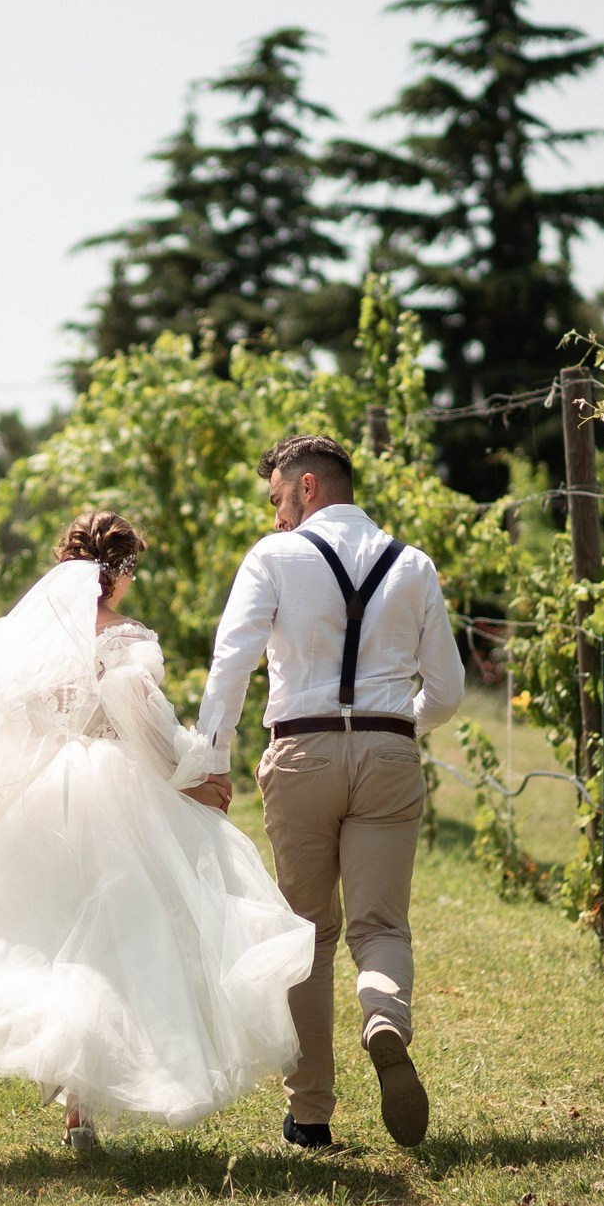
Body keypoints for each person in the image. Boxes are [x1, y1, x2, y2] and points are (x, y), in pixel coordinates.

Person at [0, 511, 314, 1154]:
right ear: (123, 570)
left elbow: (6, 720)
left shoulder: (36, 637)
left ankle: (73, 1091)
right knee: (117, 938)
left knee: (49, 933)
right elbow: (145, 725)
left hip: (41, 793)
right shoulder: (125, 639)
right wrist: (191, 779)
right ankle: (85, 1094)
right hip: (116, 790)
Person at [193, 435, 464, 1150]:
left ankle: (310, 1115)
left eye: (278, 497)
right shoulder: (413, 564)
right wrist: (397, 726)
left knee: (307, 935)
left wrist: (212, 760)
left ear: (307, 486)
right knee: (381, 927)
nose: (277, 514)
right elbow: (448, 690)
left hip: (302, 753)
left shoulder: (273, 557)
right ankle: (384, 1018)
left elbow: (231, 663)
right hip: (388, 752)